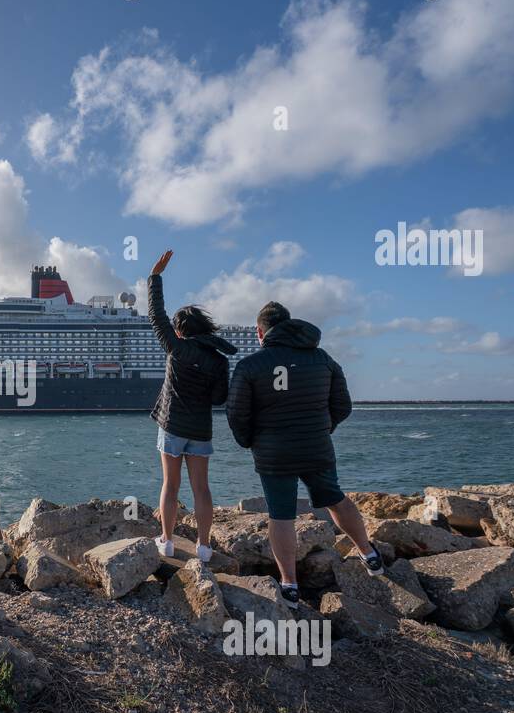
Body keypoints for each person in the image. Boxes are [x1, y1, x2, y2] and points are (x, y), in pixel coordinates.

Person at [225, 301, 384, 609]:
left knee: (281, 515)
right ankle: (369, 555)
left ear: (260, 332)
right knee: (334, 498)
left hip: (273, 452)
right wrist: (324, 428)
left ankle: (290, 586)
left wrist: (251, 441)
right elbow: (343, 406)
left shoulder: (250, 365)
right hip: (316, 446)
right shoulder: (322, 358)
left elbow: (237, 413)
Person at [147, 250, 237, 562]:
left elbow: (156, 316)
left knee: (170, 486)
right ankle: (203, 546)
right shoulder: (219, 360)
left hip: (172, 426)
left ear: (181, 330)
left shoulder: (176, 348)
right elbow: (219, 399)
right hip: (200, 429)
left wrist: (155, 278)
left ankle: (167, 540)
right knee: (202, 489)